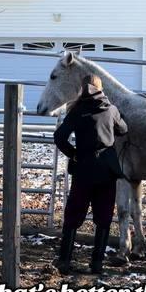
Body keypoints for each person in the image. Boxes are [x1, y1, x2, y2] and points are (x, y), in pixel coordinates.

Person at [54, 74, 128, 275]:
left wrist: (74, 154)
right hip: (107, 169)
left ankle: (64, 260)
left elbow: (59, 137)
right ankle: (97, 263)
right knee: (103, 216)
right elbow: (123, 129)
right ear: (100, 89)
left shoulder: (78, 110)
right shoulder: (111, 109)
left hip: (84, 168)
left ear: (83, 89)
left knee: (74, 214)